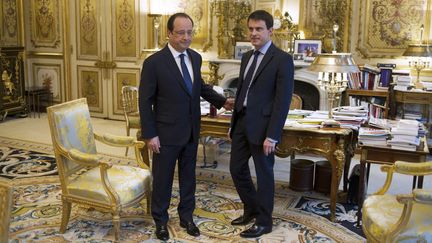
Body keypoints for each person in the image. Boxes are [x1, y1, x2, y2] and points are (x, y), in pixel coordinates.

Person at [139, 13, 234, 241]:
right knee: (162, 180)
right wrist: (150, 134)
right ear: (169, 33)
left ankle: (186, 217)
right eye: (180, 32)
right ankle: (160, 221)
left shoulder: (195, 57)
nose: (186, 37)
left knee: (188, 177)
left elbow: (199, 87)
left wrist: (222, 102)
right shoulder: (154, 63)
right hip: (165, 134)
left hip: (191, 130)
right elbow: (145, 101)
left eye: (190, 32)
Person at [229, 10, 294, 238]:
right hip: (242, 122)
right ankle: (251, 209)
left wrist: (273, 135)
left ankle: (264, 221)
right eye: (251, 29)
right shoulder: (247, 57)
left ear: (270, 31)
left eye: (259, 29)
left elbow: (282, 101)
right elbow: (242, 92)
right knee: (236, 168)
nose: (254, 33)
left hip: (264, 127)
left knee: (264, 174)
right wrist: (233, 123)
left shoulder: (282, 60)